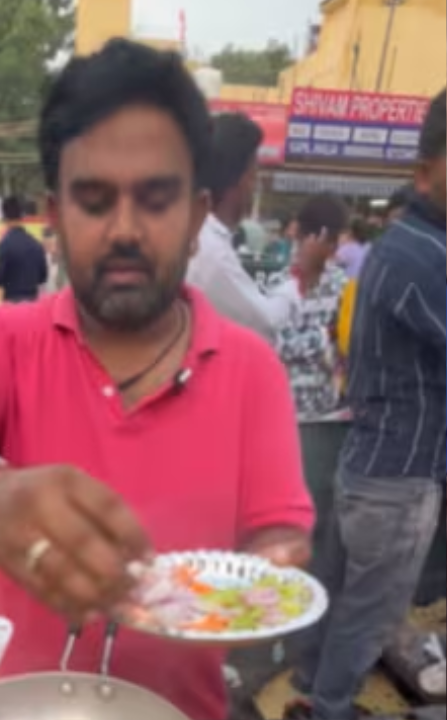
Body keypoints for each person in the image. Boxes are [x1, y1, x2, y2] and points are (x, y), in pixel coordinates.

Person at [0, 39, 314, 720]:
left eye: (157, 200)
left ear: (197, 217)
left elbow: (280, 536)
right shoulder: (5, 341)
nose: (126, 230)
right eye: (95, 200)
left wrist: (255, 577)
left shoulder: (253, 370)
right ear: (55, 214)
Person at [287, 89, 446, 720]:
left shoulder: (396, 246)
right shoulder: (424, 257)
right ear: (424, 171)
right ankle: (329, 708)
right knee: (370, 611)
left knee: (338, 593)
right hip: (399, 477)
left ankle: (307, 683)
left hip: (369, 462)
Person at [187, 113, 300, 341]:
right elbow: (265, 323)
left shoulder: (206, 237)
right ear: (240, 180)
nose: (254, 186)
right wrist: (297, 282)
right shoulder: (211, 251)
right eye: (254, 174)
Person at [266, 194, 350, 418]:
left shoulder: (342, 286)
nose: (336, 249)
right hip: (282, 410)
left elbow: (348, 348)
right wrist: (326, 335)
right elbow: (274, 345)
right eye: (333, 240)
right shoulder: (280, 284)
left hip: (327, 411)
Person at [0, 195, 47, 303]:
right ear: (22, 216)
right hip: (33, 304)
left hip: (11, 304)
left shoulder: (3, 245)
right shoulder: (36, 244)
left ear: (4, 218)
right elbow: (43, 277)